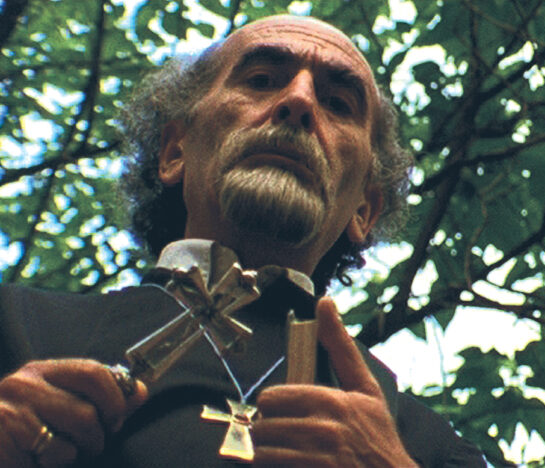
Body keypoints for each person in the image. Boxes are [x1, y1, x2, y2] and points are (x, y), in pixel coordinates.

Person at [0, 15, 485, 467]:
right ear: (174, 152)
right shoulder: (14, 326)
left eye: (338, 104)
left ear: (364, 211)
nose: (299, 101)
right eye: (260, 80)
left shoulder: (431, 447)